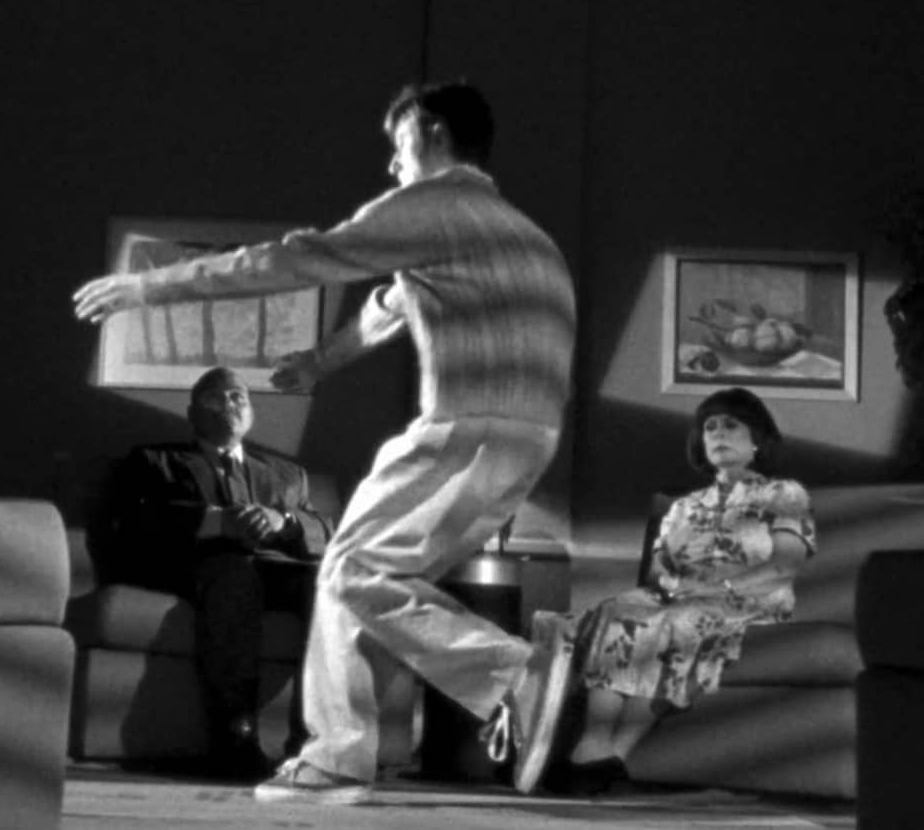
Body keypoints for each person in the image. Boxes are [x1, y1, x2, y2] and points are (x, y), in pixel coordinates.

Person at [74, 80, 578, 803]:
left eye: (397, 145)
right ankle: (344, 754)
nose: (392, 166)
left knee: (347, 570)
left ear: (431, 133)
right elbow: (392, 304)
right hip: (529, 438)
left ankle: (506, 677)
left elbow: (298, 257)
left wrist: (150, 289)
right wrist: (320, 361)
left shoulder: (433, 206)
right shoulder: (522, 234)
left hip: (468, 425)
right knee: (359, 573)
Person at [553, 387, 815, 793]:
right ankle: (598, 748)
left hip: (747, 603)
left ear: (757, 441)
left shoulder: (784, 495)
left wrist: (716, 587)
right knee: (615, 611)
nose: (718, 434)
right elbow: (659, 571)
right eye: (710, 427)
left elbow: (785, 563)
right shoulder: (682, 507)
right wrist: (669, 587)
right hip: (679, 600)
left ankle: (605, 754)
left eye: (731, 425)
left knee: (675, 623)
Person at [107, 366, 332, 779]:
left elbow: (324, 531)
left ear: (250, 414)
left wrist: (284, 521)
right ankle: (235, 737)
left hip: (275, 569)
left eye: (239, 397)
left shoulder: (286, 475)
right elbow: (134, 522)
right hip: (197, 569)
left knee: (326, 586)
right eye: (217, 397)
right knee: (232, 573)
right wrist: (218, 522)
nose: (230, 403)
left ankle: (314, 742)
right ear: (193, 413)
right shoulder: (156, 461)